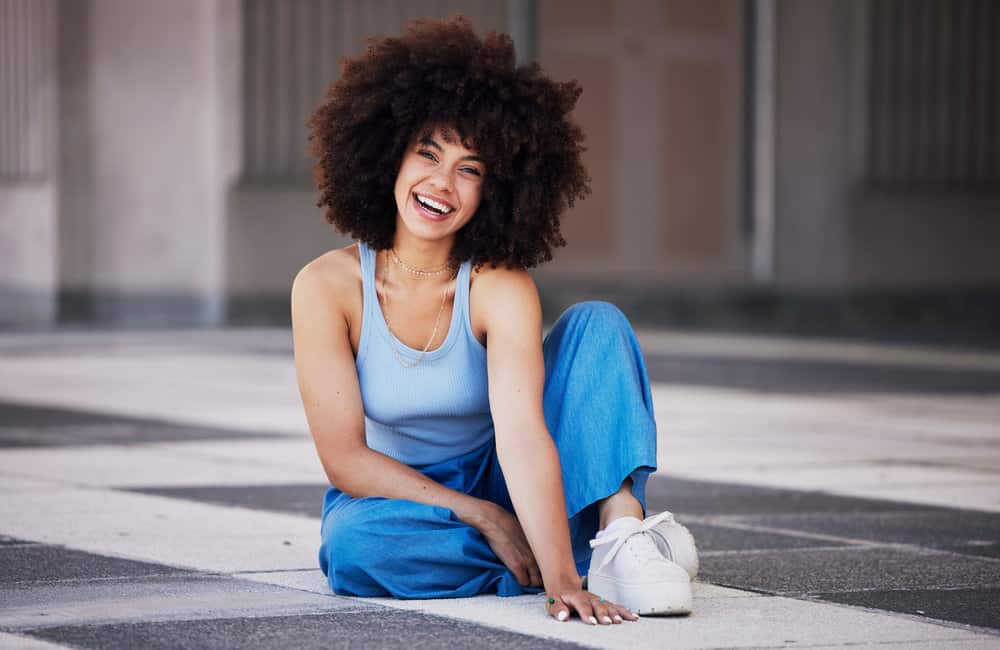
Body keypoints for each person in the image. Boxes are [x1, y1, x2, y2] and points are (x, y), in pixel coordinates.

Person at [291, 16, 699, 626]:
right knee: (355, 549)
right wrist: (479, 513)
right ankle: (565, 547)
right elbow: (346, 459)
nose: (441, 183)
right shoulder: (326, 286)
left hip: (509, 474)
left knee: (596, 323)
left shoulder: (498, 283)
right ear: (388, 157)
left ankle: (616, 537)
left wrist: (561, 587)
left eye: (470, 168)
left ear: (496, 189)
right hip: (407, 496)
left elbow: (523, 436)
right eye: (427, 153)